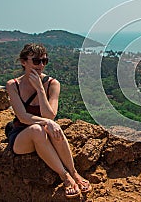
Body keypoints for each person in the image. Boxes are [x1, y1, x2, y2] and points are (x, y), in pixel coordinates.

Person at [6, 43, 90, 199]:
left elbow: (49, 115)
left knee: (51, 127)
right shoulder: (13, 85)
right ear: (24, 62)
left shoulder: (52, 84)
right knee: (39, 129)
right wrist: (47, 122)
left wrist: (39, 89)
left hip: (44, 135)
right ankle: (65, 177)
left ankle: (74, 173)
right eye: (36, 61)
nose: (41, 65)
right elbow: (23, 117)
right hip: (21, 136)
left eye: (44, 61)